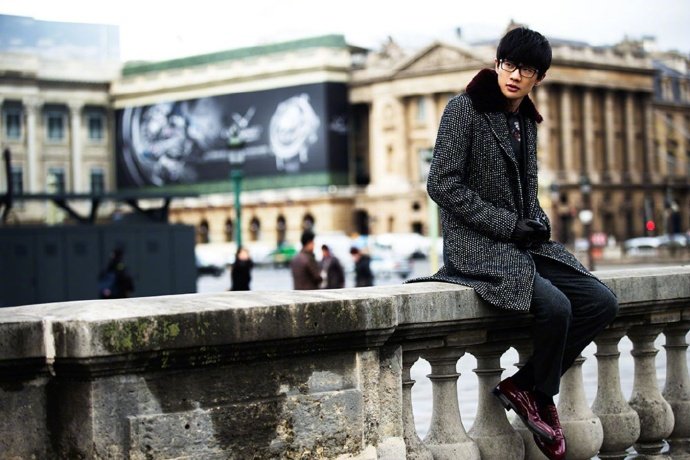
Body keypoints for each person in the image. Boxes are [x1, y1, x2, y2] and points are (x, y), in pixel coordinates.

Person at [407, 27, 618, 460]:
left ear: (538, 76)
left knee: (600, 300)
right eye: (507, 64)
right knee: (556, 307)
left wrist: (536, 221)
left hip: (520, 243)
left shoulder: (526, 122)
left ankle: (525, 387)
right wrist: (507, 225)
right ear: (497, 62)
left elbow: (528, 192)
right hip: (476, 246)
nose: (514, 74)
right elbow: (441, 183)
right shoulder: (464, 109)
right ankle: (540, 397)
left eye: (525, 69)